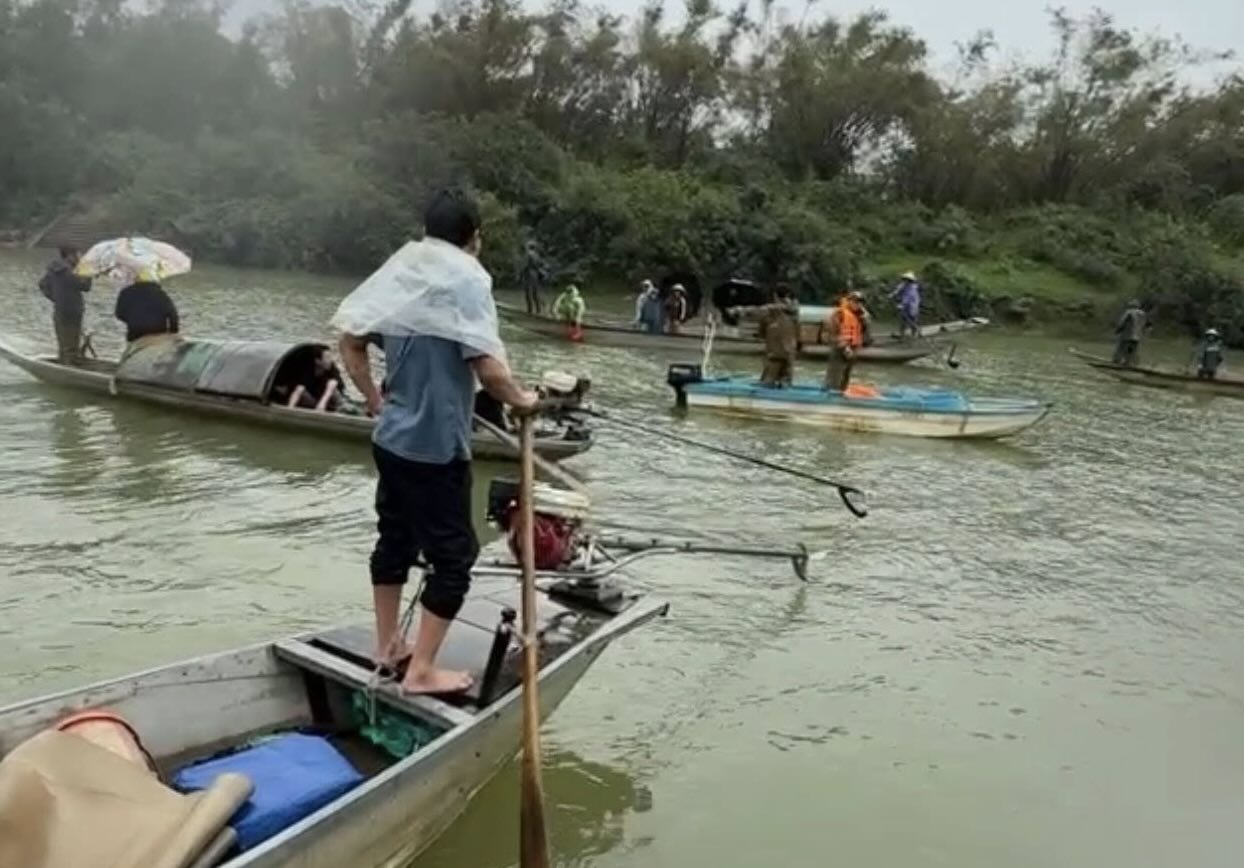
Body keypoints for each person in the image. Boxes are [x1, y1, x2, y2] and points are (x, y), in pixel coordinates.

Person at [333, 188, 538, 696]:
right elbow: (490, 371)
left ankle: (388, 646)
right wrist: (524, 400)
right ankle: (421, 670)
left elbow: (350, 342)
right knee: (454, 558)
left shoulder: (403, 275)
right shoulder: (467, 281)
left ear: (427, 231)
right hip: (435, 448)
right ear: (474, 237)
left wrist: (373, 399)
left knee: (395, 541)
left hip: (391, 439)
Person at [729, 284, 799, 387]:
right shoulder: (793, 311)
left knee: (768, 381)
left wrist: (738, 310)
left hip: (776, 353)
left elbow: (757, 312)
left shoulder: (773, 310)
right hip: (789, 353)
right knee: (785, 382)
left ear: (775, 296)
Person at [38, 246, 92, 364]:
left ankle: (64, 363)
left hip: (60, 309)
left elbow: (43, 285)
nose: (79, 258)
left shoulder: (53, 269)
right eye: (78, 255)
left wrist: (56, 298)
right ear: (70, 255)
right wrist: (87, 271)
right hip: (73, 310)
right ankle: (70, 367)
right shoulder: (69, 271)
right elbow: (86, 286)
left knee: (63, 342)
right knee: (72, 342)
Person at [114, 276, 180, 353]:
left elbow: (119, 314)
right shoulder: (160, 293)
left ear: (135, 280)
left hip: (135, 334)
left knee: (130, 353)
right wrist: (173, 332)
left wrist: (132, 320)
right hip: (159, 333)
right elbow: (173, 314)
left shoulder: (125, 292)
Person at [274, 347, 349, 412]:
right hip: (314, 401)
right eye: (327, 358)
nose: (330, 360)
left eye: (330, 357)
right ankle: (289, 410)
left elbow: (339, 387)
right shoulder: (307, 372)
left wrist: (323, 403)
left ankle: (338, 410)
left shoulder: (332, 369)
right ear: (318, 361)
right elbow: (297, 388)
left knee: (332, 384)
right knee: (300, 389)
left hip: (329, 401)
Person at [818, 290, 866, 392]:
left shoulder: (860, 316)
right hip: (839, 349)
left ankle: (841, 392)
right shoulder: (839, 314)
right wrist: (845, 347)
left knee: (845, 377)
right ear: (849, 301)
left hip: (852, 349)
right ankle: (829, 393)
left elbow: (863, 333)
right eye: (855, 301)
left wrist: (865, 319)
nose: (858, 304)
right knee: (835, 376)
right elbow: (833, 333)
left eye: (860, 302)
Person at [1113, 299, 1147, 367]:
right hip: (1137, 335)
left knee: (1121, 347)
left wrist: (1118, 330)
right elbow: (1144, 324)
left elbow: (1122, 322)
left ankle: (1117, 360)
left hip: (1128, 333)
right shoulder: (1143, 313)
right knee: (1131, 349)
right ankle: (1129, 362)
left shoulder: (1129, 312)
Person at [891, 271, 922, 340]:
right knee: (903, 321)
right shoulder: (904, 285)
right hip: (906, 306)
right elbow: (898, 290)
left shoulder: (912, 288)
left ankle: (914, 333)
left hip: (912, 306)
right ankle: (902, 335)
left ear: (909, 280)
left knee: (912, 320)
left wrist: (902, 304)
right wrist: (892, 294)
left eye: (906, 279)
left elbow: (908, 297)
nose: (904, 281)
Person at [519, 240, 547, 315]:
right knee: (535, 292)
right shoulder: (537, 255)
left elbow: (525, 266)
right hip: (535, 274)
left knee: (528, 292)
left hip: (528, 274)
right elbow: (541, 264)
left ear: (529, 247)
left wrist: (521, 274)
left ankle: (530, 310)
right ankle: (538, 309)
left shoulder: (528, 255)